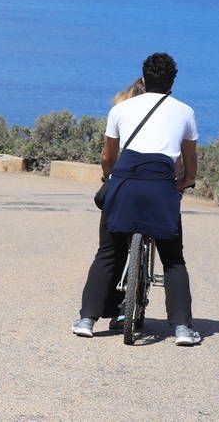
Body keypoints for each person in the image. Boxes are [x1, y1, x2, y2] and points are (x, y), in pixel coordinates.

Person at [73, 53, 201, 346]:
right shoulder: (185, 112)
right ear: (172, 83)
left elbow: (108, 156)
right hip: (161, 187)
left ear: (143, 80)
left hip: (125, 184)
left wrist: (109, 179)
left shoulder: (121, 109)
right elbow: (190, 159)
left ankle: (87, 320)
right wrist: (186, 181)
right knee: (172, 259)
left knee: (108, 252)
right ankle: (182, 327)